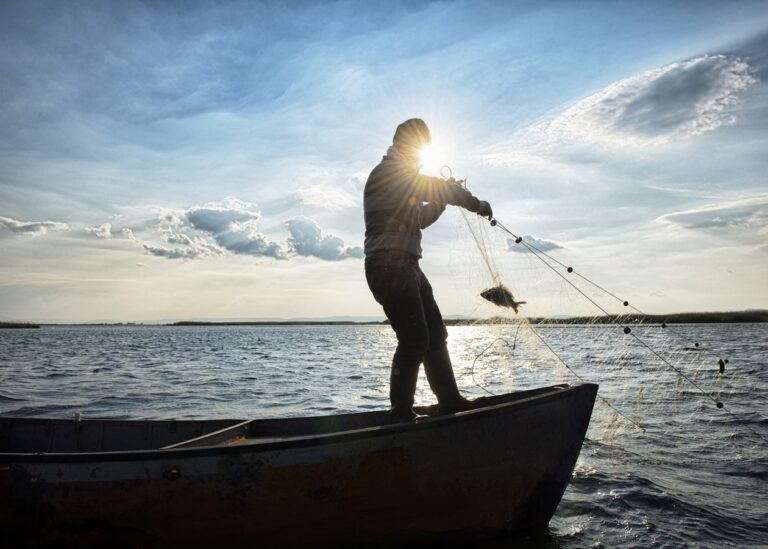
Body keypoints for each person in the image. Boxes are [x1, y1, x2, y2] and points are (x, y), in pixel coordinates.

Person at [363, 118, 493, 422]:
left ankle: (449, 400)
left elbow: (420, 218)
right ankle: (400, 413)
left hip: (408, 265)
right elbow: (435, 188)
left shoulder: (403, 177)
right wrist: (476, 204)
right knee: (414, 339)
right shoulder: (388, 173)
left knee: (436, 334)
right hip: (388, 266)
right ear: (406, 145)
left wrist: (444, 199)